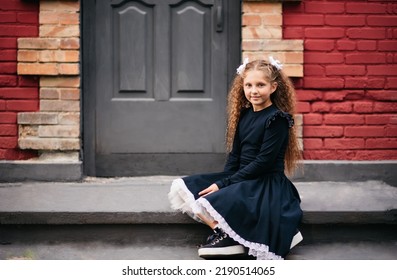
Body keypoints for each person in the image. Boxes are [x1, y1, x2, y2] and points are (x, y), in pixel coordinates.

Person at [168, 57, 303, 260]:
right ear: (242, 86)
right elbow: (236, 155)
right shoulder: (245, 115)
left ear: (273, 87)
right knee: (187, 188)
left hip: (265, 182)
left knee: (214, 196)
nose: (254, 91)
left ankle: (233, 237)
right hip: (241, 176)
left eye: (260, 85)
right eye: (248, 85)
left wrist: (225, 184)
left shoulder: (277, 120)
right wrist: (224, 180)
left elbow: (263, 163)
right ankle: (223, 232)